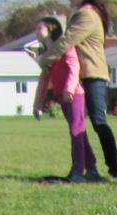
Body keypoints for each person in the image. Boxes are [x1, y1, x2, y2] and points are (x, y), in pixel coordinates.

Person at [36, 0, 117, 180]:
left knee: (98, 120)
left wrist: (44, 58)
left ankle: (115, 169)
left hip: (93, 74)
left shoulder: (87, 15)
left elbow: (66, 42)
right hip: (83, 76)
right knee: (80, 124)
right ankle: (91, 168)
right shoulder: (80, 14)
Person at [32, 17, 101, 184]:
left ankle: (78, 171)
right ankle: (91, 168)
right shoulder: (47, 55)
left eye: (39, 28)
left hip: (74, 94)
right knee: (79, 131)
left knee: (76, 130)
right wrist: (37, 104)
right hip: (62, 96)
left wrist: (69, 89)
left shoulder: (64, 46)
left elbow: (74, 66)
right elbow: (44, 79)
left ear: (50, 28)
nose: (36, 31)